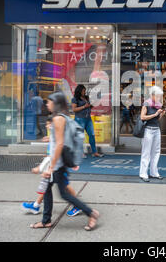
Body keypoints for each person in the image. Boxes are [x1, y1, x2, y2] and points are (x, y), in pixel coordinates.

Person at [30, 91, 100, 230]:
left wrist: (51, 167)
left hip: (58, 163)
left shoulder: (58, 119)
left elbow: (60, 144)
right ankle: (46, 220)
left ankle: (91, 213)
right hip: (58, 162)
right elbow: (59, 140)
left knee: (63, 193)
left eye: (49, 101)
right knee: (47, 189)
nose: (47, 104)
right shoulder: (62, 117)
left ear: (56, 103)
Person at [22, 117, 79, 215]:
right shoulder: (54, 136)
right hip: (54, 166)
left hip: (59, 166)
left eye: (48, 124)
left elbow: (58, 151)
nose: (46, 126)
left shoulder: (59, 136)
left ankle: (78, 205)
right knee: (47, 184)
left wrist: (41, 167)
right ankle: (36, 205)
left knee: (65, 186)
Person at [139, 86, 166, 182]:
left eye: (160, 96)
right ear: (152, 95)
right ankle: (143, 173)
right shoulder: (146, 104)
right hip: (148, 130)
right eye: (158, 96)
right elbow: (142, 117)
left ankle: (154, 172)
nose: (159, 98)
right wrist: (155, 114)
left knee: (156, 151)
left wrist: (161, 114)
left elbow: (156, 120)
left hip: (156, 129)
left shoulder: (158, 105)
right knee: (146, 152)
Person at [71, 84, 103, 158]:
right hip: (79, 119)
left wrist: (92, 105)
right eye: (83, 91)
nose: (84, 92)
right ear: (79, 91)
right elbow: (74, 109)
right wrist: (84, 107)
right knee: (80, 137)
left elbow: (88, 107)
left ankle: (94, 152)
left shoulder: (86, 98)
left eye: (85, 91)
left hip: (88, 119)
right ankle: (80, 152)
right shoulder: (75, 99)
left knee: (92, 135)